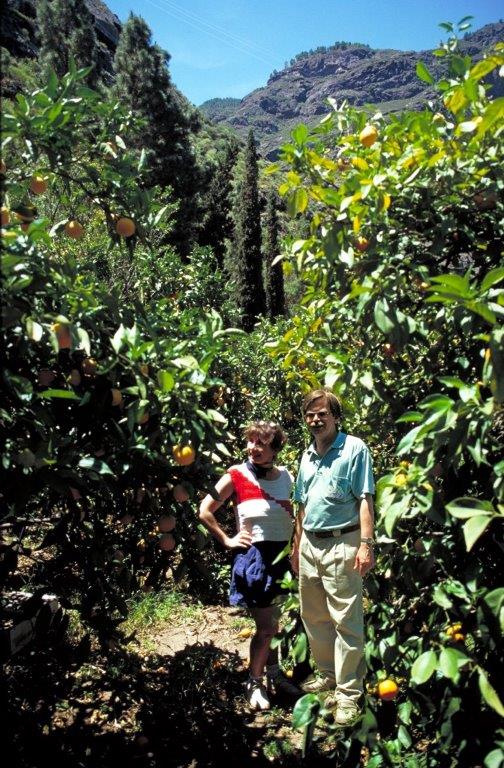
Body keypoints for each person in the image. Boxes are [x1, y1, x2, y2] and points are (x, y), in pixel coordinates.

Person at [290, 388, 375, 727]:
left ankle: (348, 695)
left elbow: (365, 499)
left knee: (346, 621)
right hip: (310, 544)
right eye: (310, 415)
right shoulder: (307, 454)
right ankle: (328, 674)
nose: (315, 420)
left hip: (344, 542)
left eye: (322, 413)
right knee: (314, 616)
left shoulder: (354, 449)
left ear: (336, 416)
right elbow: (302, 504)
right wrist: (297, 547)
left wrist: (366, 544)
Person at [199, 420, 296, 711]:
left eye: (261, 443)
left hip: (283, 558)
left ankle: (274, 674)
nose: (253, 448)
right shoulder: (237, 474)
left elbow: (293, 514)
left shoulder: (287, 477)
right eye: (251, 441)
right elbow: (204, 510)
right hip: (255, 559)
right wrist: (227, 539)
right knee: (266, 627)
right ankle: (254, 681)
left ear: (275, 448)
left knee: (275, 625)